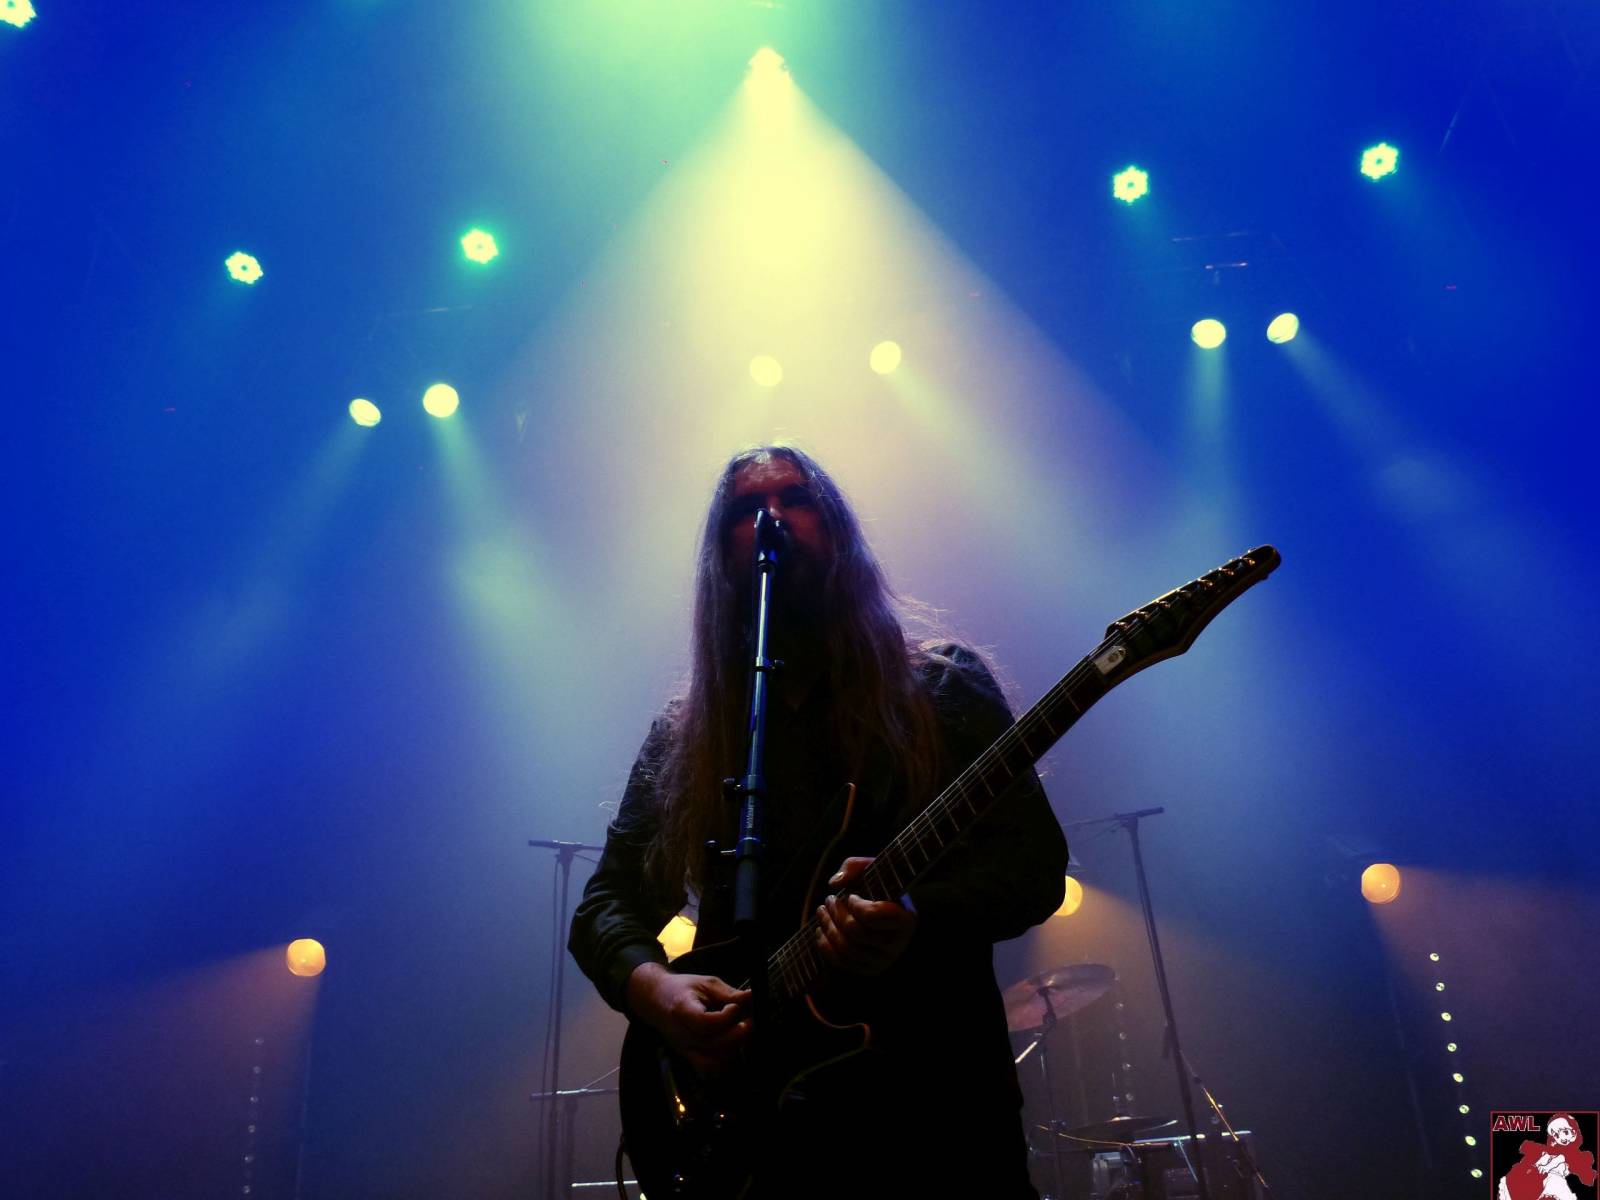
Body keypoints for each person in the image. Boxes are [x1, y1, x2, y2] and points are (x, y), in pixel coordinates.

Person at [568, 445, 1069, 1197]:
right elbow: (608, 902)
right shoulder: (690, 734)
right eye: (747, 509)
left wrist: (918, 914)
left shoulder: (941, 689)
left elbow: (1034, 869)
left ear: (837, 531)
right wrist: (655, 991)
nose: (772, 518)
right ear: (721, 555)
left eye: (795, 499)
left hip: (938, 1116)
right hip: (759, 1147)